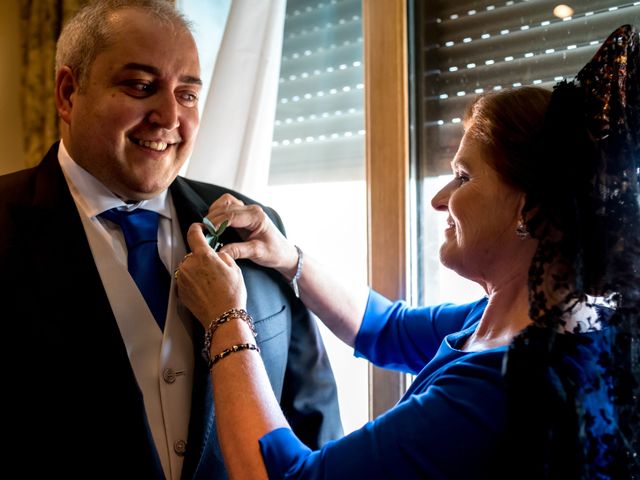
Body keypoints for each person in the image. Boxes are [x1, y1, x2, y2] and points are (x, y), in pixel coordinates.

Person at [174, 25, 640, 479]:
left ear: (530, 209)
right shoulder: (520, 320)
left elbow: (285, 476)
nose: (440, 199)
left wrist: (225, 316)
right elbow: (384, 327)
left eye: (463, 176)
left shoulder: (496, 388)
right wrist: (288, 257)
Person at [0, 0, 342, 478]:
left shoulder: (254, 227)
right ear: (68, 92)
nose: (168, 116)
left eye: (187, 95)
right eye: (141, 87)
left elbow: (312, 416)